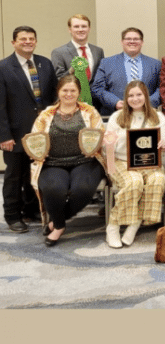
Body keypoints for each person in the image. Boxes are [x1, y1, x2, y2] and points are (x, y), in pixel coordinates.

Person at [30, 75, 106, 246]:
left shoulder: (90, 112)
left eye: (73, 90)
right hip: (53, 162)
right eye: (65, 90)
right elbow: (35, 139)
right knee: (53, 189)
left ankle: (56, 223)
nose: (69, 94)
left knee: (83, 189)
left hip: (85, 161)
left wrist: (96, 146)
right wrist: (36, 152)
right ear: (58, 91)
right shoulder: (46, 115)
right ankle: (59, 225)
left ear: (79, 92)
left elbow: (100, 135)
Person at [0, 26, 58, 233]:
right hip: (15, 134)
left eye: (31, 38)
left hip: (42, 133)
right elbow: (0, 105)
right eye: (22, 39)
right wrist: (4, 135)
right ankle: (12, 215)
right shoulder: (4, 67)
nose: (27, 42)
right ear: (13, 42)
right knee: (15, 175)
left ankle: (31, 208)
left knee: (36, 173)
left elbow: (52, 98)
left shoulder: (45, 64)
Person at [104, 80, 165, 248]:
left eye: (139, 95)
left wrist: (164, 145)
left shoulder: (158, 117)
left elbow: (164, 145)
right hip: (122, 161)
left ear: (146, 96)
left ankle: (135, 224)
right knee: (134, 182)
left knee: (158, 180)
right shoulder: (116, 117)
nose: (135, 99)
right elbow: (108, 147)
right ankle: (113, 226)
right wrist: (123, 139)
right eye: (131, 95)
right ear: (125, 98)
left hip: (150, 162)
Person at [92, 27, 161, 116]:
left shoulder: (155, 64)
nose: (132, 41)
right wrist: (115, 102)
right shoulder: (107, 63)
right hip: (115, 115)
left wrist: (147, 103)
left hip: (147, 115)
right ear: (122, 42)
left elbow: (161, 89)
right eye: (128, 39)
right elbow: (97, 88)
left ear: (142, 42)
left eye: (136, 39)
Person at [51, 14, 105, 111]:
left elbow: (100, 77)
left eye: (84, 26)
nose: (80, 29)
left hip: (95, 104)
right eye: (76, 26)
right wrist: (71, 70)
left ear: (89, 29)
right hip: (71, 102)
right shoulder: (59, 52)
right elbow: (58, 80)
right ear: (70, 29)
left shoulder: (98, 51)